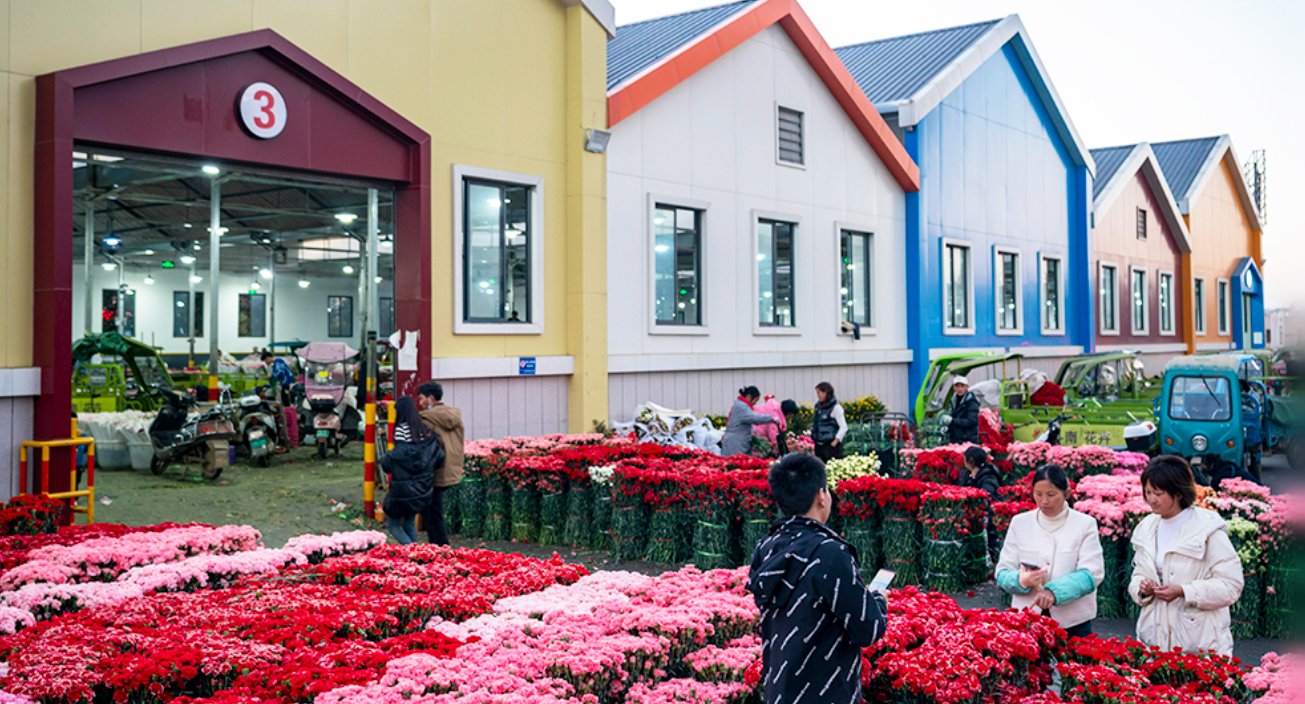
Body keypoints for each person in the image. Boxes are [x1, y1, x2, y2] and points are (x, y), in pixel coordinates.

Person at [747, 453, 888, 704]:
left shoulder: (766, 547)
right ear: (821, 496)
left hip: (780, 689)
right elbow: (868, 629)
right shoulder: (829, 554)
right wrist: (877, 599)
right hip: (826, 692)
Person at [1128, 455, 1244, 656]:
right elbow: (1137, 574)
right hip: (1154, 640)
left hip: (1199, 642)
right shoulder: (1146, 528)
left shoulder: (1207, 529)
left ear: (1179, 493)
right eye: (1147, 492)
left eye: (1158, 493)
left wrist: (1184, 591)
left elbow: (1231, 585)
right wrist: (1142, 588)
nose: (1151, 499)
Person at [996, 464, 1105, 639]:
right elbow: (1002, 571)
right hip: (1028, 618)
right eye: (1038, 494)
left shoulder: (1085, 524)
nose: (1044, 501)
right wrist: (1022, 580)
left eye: (1051, 495)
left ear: (1066, 493)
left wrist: (1054, 592)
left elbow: (1092, 573)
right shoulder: (1020, 523)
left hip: (1073, 622)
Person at [379, 397, 442, 546]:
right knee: (409, 521)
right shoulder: (424, 429)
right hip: (421, 485)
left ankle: (411, 550)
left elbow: (399, 454)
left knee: (391, 524)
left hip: (403, 485)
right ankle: (418, 556)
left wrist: (384, 460)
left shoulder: (401, 429)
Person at [417, 381, 465, 546]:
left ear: (430, 398)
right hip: (451, 468)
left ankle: (440, 546)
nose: (420, 402)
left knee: (432, 512)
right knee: (434, 510)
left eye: (422, 398)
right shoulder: (455, 416)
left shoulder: (427, 419)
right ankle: (439, 546)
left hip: (434, 471)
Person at [721, 386, 777, 457]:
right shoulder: (741, 406)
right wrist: (771, 418)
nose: (755, 403)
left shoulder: (741, 404)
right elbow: (752, 418)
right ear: (749, 396)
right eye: (755, 400)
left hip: (739, 441)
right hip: (735, 443)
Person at [812, 381, 847, 462]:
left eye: (819, 393)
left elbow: (844, 427)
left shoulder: (836, 408)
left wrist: (835, 442)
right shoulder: (818, 408)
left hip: (830, 446)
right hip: (819, 445)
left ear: (825, 393)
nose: (818, 396)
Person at [944, 376, 980, 444]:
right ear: (954, 388)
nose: (959, 389)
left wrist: (952, 421)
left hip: (968, 440)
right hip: (955, 439)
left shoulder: (972, 402)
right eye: (957, 386)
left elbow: (972, 421)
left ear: (967, 387)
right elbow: (954, 417)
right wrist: (948, 428)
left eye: (962, 386)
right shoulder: (954, 401)